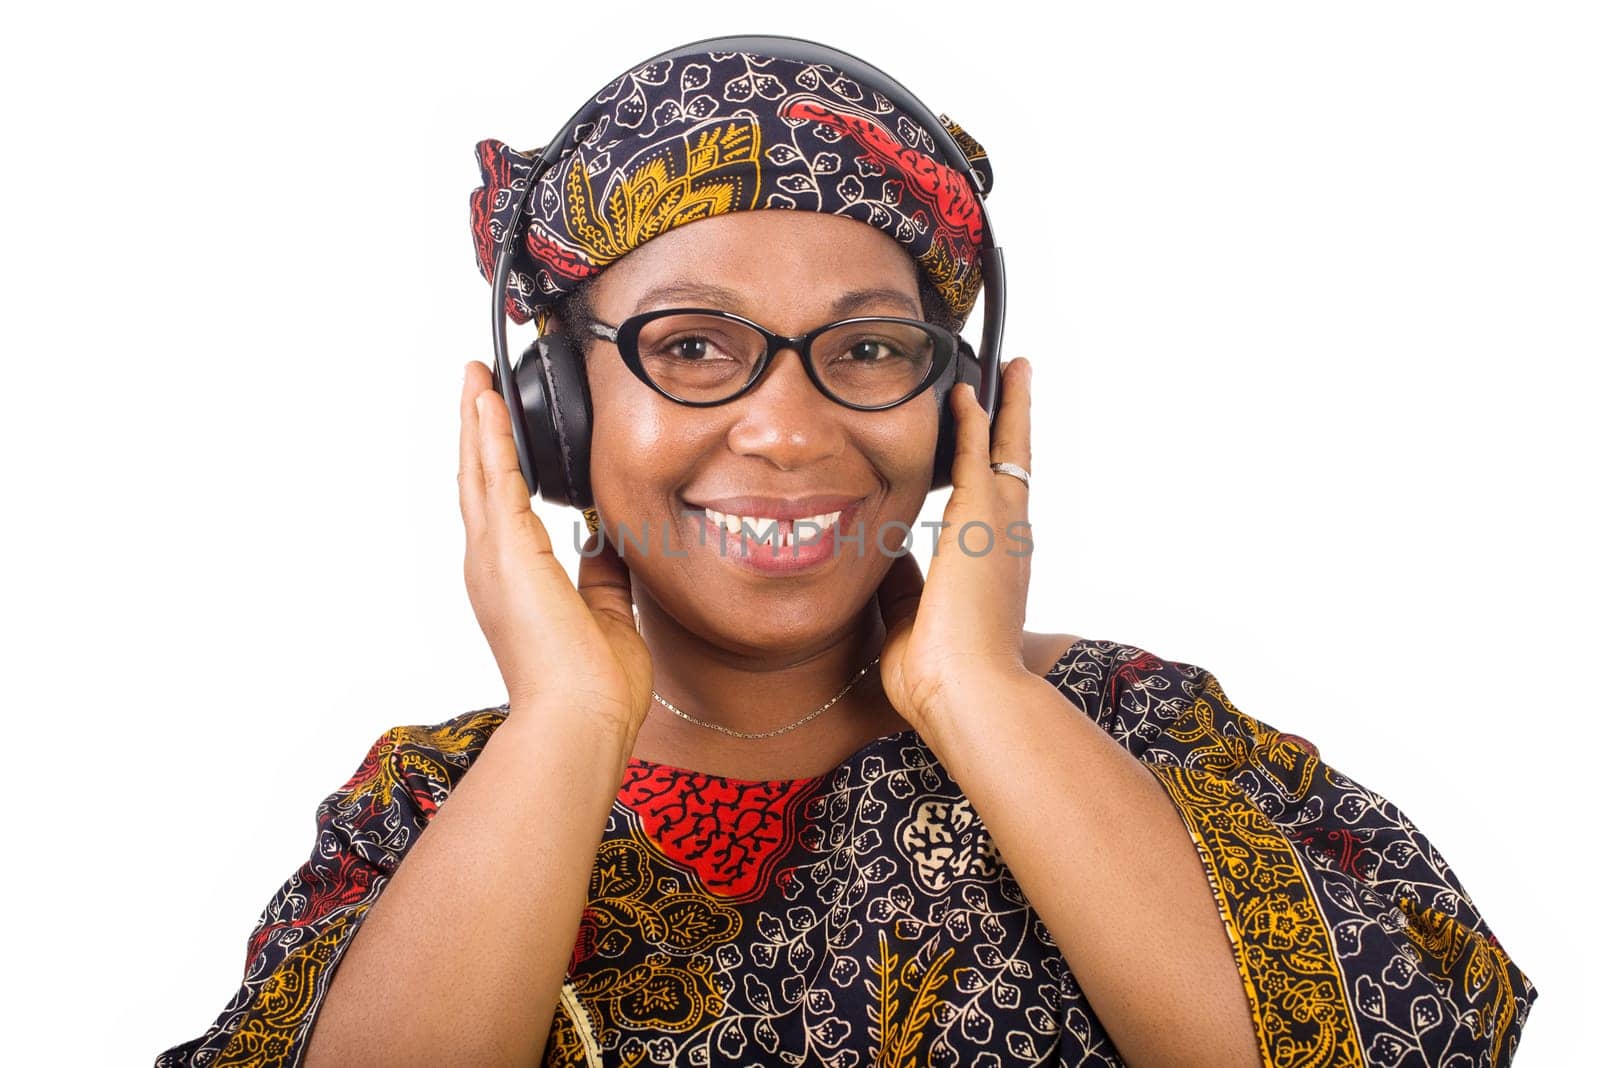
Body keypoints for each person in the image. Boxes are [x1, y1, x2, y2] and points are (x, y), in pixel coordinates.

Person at [156, 38, 1536, 1068]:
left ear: (958, 408)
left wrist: (978, 693)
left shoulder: (1135, 731)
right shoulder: (430, 813)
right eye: (691, 347)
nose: (786, 429)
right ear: (551, 413)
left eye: (869, 350)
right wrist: (569, 721)